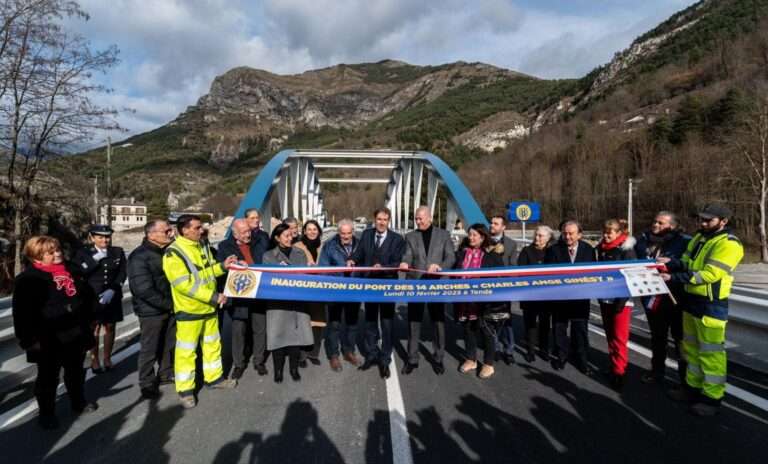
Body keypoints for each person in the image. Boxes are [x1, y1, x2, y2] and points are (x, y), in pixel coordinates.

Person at [661, 204, 744, 416]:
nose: (703, 223)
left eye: (709, 220)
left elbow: (709, 274)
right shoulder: (700, 238)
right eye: (702, 219)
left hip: (711, 303)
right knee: (691, 348)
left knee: (711, 353)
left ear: (723, 221)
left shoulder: (729, 244)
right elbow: (689, 263)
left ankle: (712, 398)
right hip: (691, 300)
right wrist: (671, 263)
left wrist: (673, 277)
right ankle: (692, 388)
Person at [13, 236, 98, 429]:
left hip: (77, 331)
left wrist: (92, 316)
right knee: (48, 378)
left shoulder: (73, 269)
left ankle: (78, 402)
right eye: (51, 252)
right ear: (37, 257)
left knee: (76, 371)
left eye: (58, 249)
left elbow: (88, 295)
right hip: (48, 337)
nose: (58, 254)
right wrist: (28, 341)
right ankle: (47, 413)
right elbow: (22, 314)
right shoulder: (29, 279)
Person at [162, 214, 238, 409]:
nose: (201, 230)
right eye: (197, 228)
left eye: (201, 227)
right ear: (184, 230)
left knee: (212, 345)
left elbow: (205, 273)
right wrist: (213, 297)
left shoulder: (201, 246)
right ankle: (186, 391)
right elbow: (184, 285)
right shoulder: (174, 253)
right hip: (190, 311)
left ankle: (214, 379)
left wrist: (222, 266)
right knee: (186, 352)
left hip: (209, 309)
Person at [349, 207, 406, 379]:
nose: (381, 222)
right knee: (370, 321)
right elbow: (359, 253)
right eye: (379, 219)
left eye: (385, 219)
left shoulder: (397, 239)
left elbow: (397, 261)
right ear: (374, 220)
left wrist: (384, 268)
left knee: (387, 323)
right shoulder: (366, 234)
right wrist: (352, 259)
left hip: (387, 285)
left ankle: (385, 359)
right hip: (369, 285)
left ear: (389, 221)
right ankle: (372, 354)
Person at [634, 211, 690, 385]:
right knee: (658, 338)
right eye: (654, 221)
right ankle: (657, 372)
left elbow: (689, 266)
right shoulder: (643, 240)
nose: (655, 225)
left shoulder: (685, 242)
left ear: (672, 226)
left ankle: (685, 378)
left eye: (660, 223)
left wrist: (671, 267)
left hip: (677, 298)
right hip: (653, 297)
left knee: (681, 341)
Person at [399, 206, 456, 375]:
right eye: (416, 218)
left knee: (438, 322)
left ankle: (438, 358)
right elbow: (408, 255)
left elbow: (451, 257)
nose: (418, 221)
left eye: (421, 218)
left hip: (436, 283)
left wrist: (440, 267)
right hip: (416, 284)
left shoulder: (444, 235)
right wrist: (404, 263)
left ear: (430, 218)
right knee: (413, 322)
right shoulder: (410, 236)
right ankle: (412, 359)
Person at [128, 219, 176, 399]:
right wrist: (169, 304)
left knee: (168, 343)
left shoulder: (167, 252)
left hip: (168, 307)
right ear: (152, 235)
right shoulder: (139, 256)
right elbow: (143, 288)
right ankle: (146, 382)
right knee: (150, 347)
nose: (171, 233)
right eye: (166, 231)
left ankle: (165, 373)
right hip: (151, 310)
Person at [218, 218, 270, 380]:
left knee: (260, 328)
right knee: (238, 331)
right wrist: (235, 266)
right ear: (235, 234)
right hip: (239, 295)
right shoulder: (225, 247)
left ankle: (259, 361)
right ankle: (239, 364)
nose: (248, 234)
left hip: (259, 293)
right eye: (244, 232)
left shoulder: (259, 242)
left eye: (249, 231)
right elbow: (222, 269)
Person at [262, 223, 313, 383]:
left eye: (291, 235)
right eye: (286, 236)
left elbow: (305, 276)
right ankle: (278, 371)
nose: (290, 238)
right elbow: (267, 279)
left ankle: (293, 369)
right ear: (277, 238)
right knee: (278, 337)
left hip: (297, 301)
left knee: (295, 338)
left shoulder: (300, 253)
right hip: (278, 303)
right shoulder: (268, 256)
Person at [72, 224, 127, 374]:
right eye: (100, 237)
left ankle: (107, 358)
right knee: (94, 328)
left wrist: (114, 289)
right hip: (92, 297)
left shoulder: (117, 252)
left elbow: (122, 273)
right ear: (92, 237)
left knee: (110, 326)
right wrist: (94, 258)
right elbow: (77, 271)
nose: (105, 240)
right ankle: (94, 359)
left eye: (107, 237)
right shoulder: (83, 253)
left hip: (111, 295)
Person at [545, 220, 596, 375]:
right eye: (565, 233)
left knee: (580, 330)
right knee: (559, 328)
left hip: (580, 298)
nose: (567, 236)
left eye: (571, 233)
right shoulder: (554, 250)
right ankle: (561, 356)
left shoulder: (588, 250)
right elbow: (547, 274)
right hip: (560, 298)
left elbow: (593, 273)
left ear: (579, 234)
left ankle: (582, 359)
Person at [454, 224, 505, 379]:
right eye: (470, 234)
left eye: (475, 235)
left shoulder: (492, 256)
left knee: (487, 331)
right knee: (468, 330)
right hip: (465, 301)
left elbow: (500, 277)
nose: (471, 237)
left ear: (482, 237)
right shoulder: (462, 254)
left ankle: (488, 364)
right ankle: (471, 359)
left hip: (484, 302)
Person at [596, 219, 637, 391]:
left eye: (610, 233)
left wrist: (621, 302)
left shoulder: (627, 251)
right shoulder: (601, 249)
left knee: (619, 338)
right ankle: (613, 366)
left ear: (619, 233)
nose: (606, 236)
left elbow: (631, 277)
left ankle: (619, 373)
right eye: (604, 232)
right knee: (610, 336)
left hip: (621, 301)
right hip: (606, 298)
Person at [318, 219, 362, 372]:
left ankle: (348, 351)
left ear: (353, 232)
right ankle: (334, 355)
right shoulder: (329, 246)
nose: (345, 236)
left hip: (354, 291)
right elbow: (323, 269)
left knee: (352, 323)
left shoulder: (360, 245)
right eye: (342, 233)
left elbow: (365, 266)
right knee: (334, 324)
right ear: (338, 233)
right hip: (335, 291)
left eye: (348, 233)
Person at [517, 225, 555, 363]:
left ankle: (544, 350)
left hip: (546, 294)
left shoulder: (552, 251)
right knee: (530, 324)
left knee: (545, 324)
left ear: (548, 238)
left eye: (541, 235)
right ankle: (531, 350)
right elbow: (521, 271)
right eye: (536, 234)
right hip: (530, 294)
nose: (537, 238)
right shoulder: (526, 251)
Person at [294, 219, 325, 366]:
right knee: (302, 322)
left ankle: (314, 353)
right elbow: (291, 266)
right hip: (302, 289)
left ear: (318, 231)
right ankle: (301, 355)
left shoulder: (324, 247)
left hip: (319, 290)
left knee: (318, 322)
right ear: (304, 231)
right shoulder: (297, 246)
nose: (312, 232)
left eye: (315, 229)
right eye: (309, 229)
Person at [489, 214, 518, 365]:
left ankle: (509, 350)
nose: (492, 225)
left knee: (506, 319)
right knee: (490, 319)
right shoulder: (484, 241)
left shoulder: (511, 244)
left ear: (503, 227)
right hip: (486, 287)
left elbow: (513, 266)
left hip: (503, 287)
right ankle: (495, 348)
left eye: (495, 223)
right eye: (491, 223)